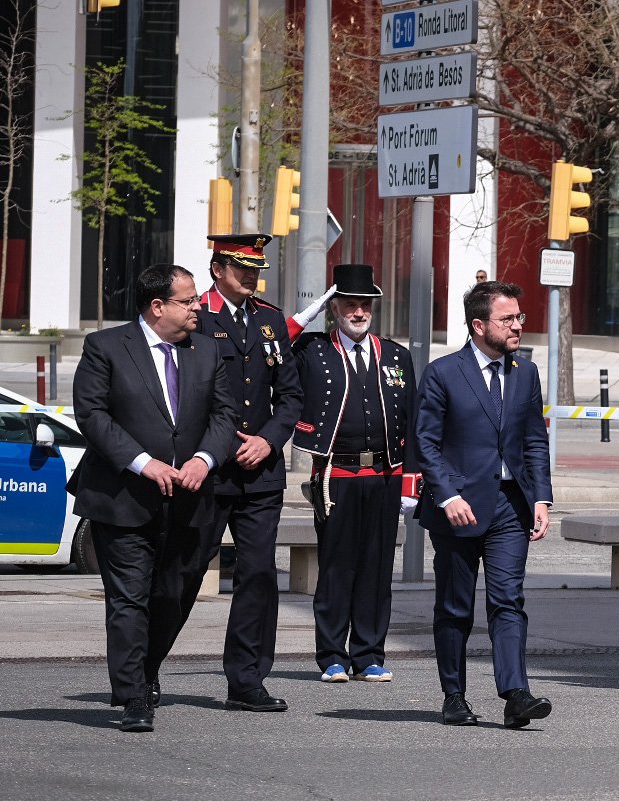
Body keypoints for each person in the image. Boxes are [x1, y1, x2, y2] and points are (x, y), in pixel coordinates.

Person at [70, 264, 253, 731]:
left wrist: (205, 459)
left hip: (190, 500)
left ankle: (146, 670)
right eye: (188, 300)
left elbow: (223, 413)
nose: (198, 307)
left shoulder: (207, 351)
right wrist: (142, 462)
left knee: (175, 593)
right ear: (158, 307)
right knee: (129, 597)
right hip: (123, 497)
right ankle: (133, 695)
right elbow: (92, 415)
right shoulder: (106, 347)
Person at [416, 280, 555, 729]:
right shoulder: (443, 373)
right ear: (479, 325)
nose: (518, 326)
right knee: (456, 606)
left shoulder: (525, 374)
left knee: (508, 601)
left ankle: (516, 693)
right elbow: (426, 443)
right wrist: (448, 494)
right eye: (508, 319)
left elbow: (535, 440)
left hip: (510, 507)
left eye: (520, 318)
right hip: (458, 507)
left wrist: (541, 498)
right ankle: (453, 695)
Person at [291, 264, 420, 684]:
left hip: (384, 476)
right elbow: (271, 343)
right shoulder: (313, 350)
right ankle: (331, 654)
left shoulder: (396, 355)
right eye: (349, 303)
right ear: (335, 308)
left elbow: (414, 423)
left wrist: (410, 483)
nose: (359, 311)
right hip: (337, 477)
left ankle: (368, 654)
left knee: (376, 569)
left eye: (365, 304)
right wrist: (313, 309)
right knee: (336, 568)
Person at [192, 233, 304, 703]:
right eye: (241, 267)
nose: (251, 276)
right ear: (218, 268)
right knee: (184, 569)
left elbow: (291, 395)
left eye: (256, 268)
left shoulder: (270, 320)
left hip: (259, 471)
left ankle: (247, 678)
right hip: (207, 469)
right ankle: (145, 669)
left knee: (258, 574)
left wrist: (269, 439)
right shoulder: (195, 316)